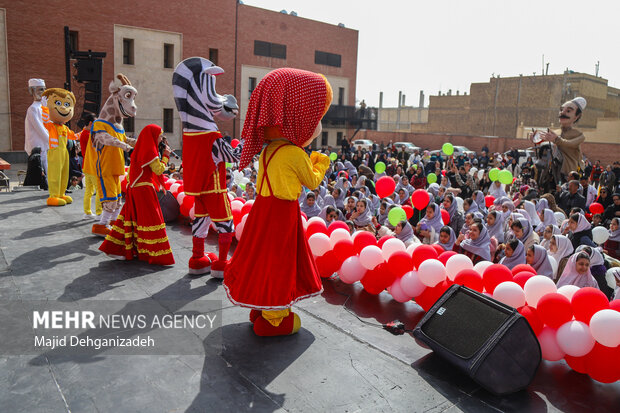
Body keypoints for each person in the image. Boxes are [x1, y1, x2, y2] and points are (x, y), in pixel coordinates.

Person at [225, 67, 332, 337]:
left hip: (263, 209)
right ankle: (275, 318)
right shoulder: (294, 153)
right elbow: (313, 181)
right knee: (279, 262)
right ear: (299, 118)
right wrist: (321, 162)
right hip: (282, 213)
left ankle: (260, 305)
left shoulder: (268, 149)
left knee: (261, 258)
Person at [99, 124, 174, 265]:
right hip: (144, 191)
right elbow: (158, 170)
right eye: (159, 136)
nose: (160, 139)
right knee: (150, 220)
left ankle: (121, 249)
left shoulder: (140, 150)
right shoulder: (150, 151)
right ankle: (152, 253)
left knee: (131, 219)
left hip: (134, 189)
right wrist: (165, 157)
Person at [539, 97, 587, 181]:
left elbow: (569, 143)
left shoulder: (579, 134)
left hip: (567, 174)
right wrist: (535, 139)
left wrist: (557, 140)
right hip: (550, 172)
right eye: (561, 110)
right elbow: (545, 146)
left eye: (568, 111)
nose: (562, 113)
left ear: (576, 116)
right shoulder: (555, 132)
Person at [24, 78, 49, 173]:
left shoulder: (44, 107)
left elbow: (49, 125)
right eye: (40, 89)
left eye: (44, 89)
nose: (44, 92)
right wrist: (52, 141)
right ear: (32, 91)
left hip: (46, 146)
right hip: (37, 147)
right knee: (42, 172)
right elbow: (40, 129)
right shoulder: (33, 109)